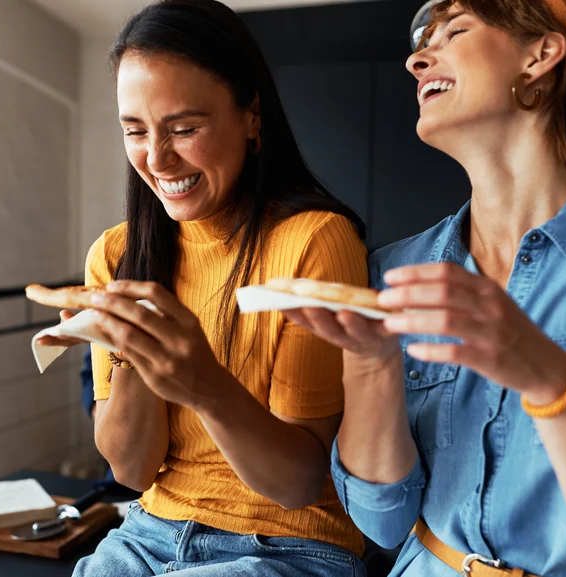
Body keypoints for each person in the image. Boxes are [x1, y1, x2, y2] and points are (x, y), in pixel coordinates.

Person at [284, 0, 566, 575]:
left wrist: (549, 377)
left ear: (539, 55)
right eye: (424, 42)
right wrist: (371, 363)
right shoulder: (393, 272)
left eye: (456, 32)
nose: (417, 60)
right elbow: (382, 522)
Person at [66, 1, 370, 575]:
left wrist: (203, 384)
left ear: (251, 116)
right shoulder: (116, 255)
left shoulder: (314, 243)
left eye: (184, 128)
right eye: (135, 131)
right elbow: (131, 472)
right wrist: (137, 347)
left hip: (287, 545)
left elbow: (298, 483)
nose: (156, 159)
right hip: (147, 534)